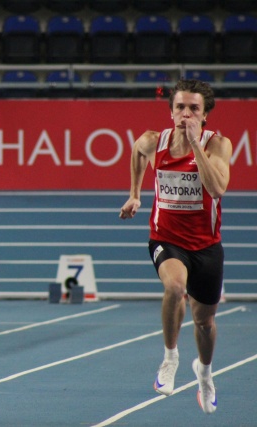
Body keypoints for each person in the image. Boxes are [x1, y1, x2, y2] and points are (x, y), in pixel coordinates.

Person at [119, 79, 232, 414]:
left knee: (204, 322)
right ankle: (170, 358)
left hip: (206, 246)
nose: (186, 114)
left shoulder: (218, 146)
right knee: (175, 287)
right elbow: (137, 153)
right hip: (166, 239)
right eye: (180, 107)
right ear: (171, 112)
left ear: (205, 115)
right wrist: (135, 193)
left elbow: (217, 190)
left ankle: (205, 373)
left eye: (194, 109)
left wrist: (197, 146)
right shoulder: (154, 141)